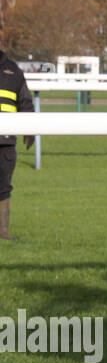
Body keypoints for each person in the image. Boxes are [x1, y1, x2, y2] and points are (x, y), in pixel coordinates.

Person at [0, 48, 35, 241]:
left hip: (5, 141)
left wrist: (29, 130)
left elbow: (25, 102)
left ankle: (3, 231)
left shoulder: (13, 70)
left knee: (4, 186)